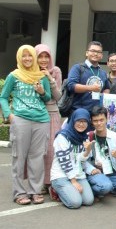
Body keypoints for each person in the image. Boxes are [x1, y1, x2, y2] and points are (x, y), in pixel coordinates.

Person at [0, 45, 51, 205]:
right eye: (24, 56)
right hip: (20, 119)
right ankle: (20, 192)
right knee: (19, 156)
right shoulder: (13, 76)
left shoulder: (41, 76)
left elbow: (47, 98)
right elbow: (3, 97)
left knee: (36, 157)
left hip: (41, 120)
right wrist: (9, 115)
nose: (27, 59)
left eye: (30, 56)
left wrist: (42, 91)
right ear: (19, 58)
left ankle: (35, 191)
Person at [50, 108, 94, 209]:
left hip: (78, 175)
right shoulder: (62, 137)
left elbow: (81, 160)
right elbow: (64, 161)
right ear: (73, 120)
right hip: (61, 175)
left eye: (84, 121)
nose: (81, 124)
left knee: (88, 201)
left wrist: (87, 150)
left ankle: (69, 191)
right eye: (79, 121)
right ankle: (55, 190)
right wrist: (73, 181)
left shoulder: (84, 137)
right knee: (76, 203)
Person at [35, 44, 63, 193]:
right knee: (37, 151)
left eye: (47, 56)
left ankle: (50, 181)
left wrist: (50, 78)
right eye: (40, 56)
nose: (44, 59)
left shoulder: (55, 71)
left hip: (52, 113)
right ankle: (37, 183)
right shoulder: (30, 72)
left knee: (52, 150)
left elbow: (58, 96)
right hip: (35, 114)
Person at [67, 41, 110, 113]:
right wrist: (91, 88)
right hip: (80, 112)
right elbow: (71, 86)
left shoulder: (103, 73)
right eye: (93, 51)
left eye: (99, 52)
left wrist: (105, 96)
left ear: (102, 55)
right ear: (87, 53)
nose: (96, 54)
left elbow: (106, 88)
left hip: (97, 114)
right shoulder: (77, 68)